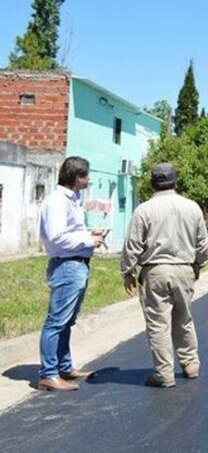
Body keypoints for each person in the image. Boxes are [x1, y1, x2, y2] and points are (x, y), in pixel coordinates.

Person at [120, 163, 208, 388]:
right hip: (184, 269)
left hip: (155, 271)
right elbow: (202, 242)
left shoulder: (144, 210)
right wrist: (199, 263)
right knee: (184, 319)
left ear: (152, 183)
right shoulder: (192, 207)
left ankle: (164, 374)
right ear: (175, 182)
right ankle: (190, 365)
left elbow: (133, 244)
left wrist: (128, 271)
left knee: (158, 323)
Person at [37, 156, 107, 392]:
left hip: (76, 264)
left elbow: (69, 232)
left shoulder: (71, 200)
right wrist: (88, 239)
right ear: (76, 177)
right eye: (86, 176)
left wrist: (89, 235)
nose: (88, 180)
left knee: (67, 321)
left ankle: (64, 367)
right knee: (56, 321)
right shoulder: (58, 201)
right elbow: (57, 236)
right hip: (67, 265)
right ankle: (48, 373)